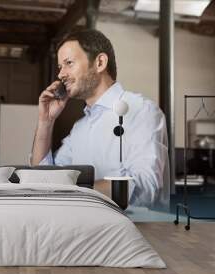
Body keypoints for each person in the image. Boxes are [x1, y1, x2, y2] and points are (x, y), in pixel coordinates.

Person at [31, 29, 169, 209]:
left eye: (69, 63)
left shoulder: (142, 110)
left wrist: (70, 191)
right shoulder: (79, 128)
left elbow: (145, 188)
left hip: (135, 233)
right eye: (60, 67)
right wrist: (45, 122)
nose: (61, 74)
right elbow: (44, 179)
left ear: (100, 63)